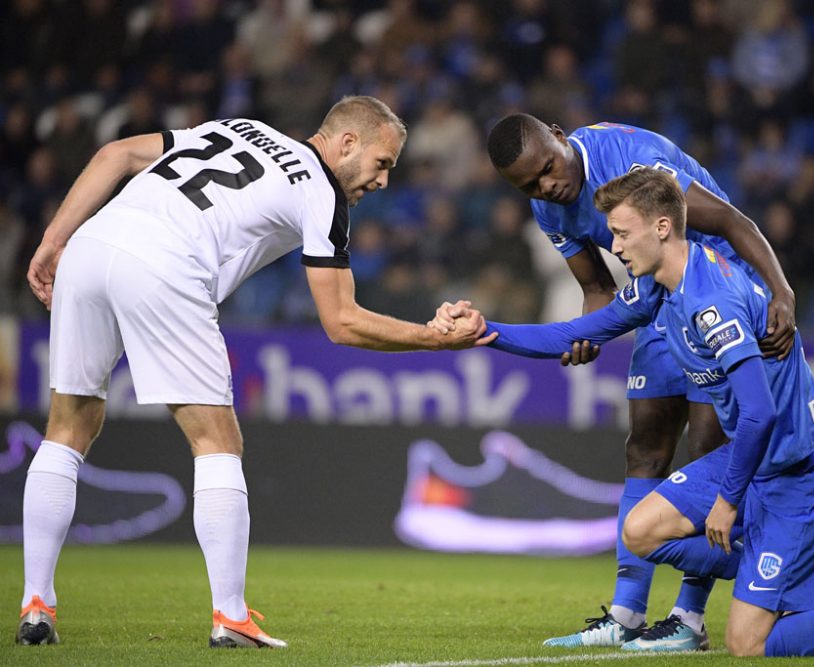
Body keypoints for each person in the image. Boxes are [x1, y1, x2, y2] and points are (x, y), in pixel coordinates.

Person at [17, 95, 494, 648]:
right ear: (347, 143)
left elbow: (118, 154)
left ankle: (36, 602)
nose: (383, 181)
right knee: (217, 440)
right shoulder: (320, 189)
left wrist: (54, 241)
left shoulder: (240, 126)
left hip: (92, 243)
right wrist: (433, 340)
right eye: (382, 163)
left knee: (67, 427)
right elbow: (341, 322)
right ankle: (231, 616)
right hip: (166, 263)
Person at [478, 168, 814, 661]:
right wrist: (484, 332)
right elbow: (572, 334)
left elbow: (760, 413)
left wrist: (726, 502)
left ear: (662, 228)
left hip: (799, 472)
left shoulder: (712, 301)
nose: (613, 247)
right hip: (753, 461)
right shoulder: (661, 284)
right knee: (639, 530)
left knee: (749, 644)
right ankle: (792, 579)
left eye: (620, 233)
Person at [461, 112, 796, 650]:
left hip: (715, 289)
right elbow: (596, 289)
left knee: (706, 449)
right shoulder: (548, 208)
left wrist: (782, 292)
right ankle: (627, 613)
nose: (547, 185)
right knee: (644, 444)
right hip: (656, 293)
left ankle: (689, 618)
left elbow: (734, 224)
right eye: (529, 185)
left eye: (548, 168)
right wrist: (580, 334)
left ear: (559, 135)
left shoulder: (636, 161)